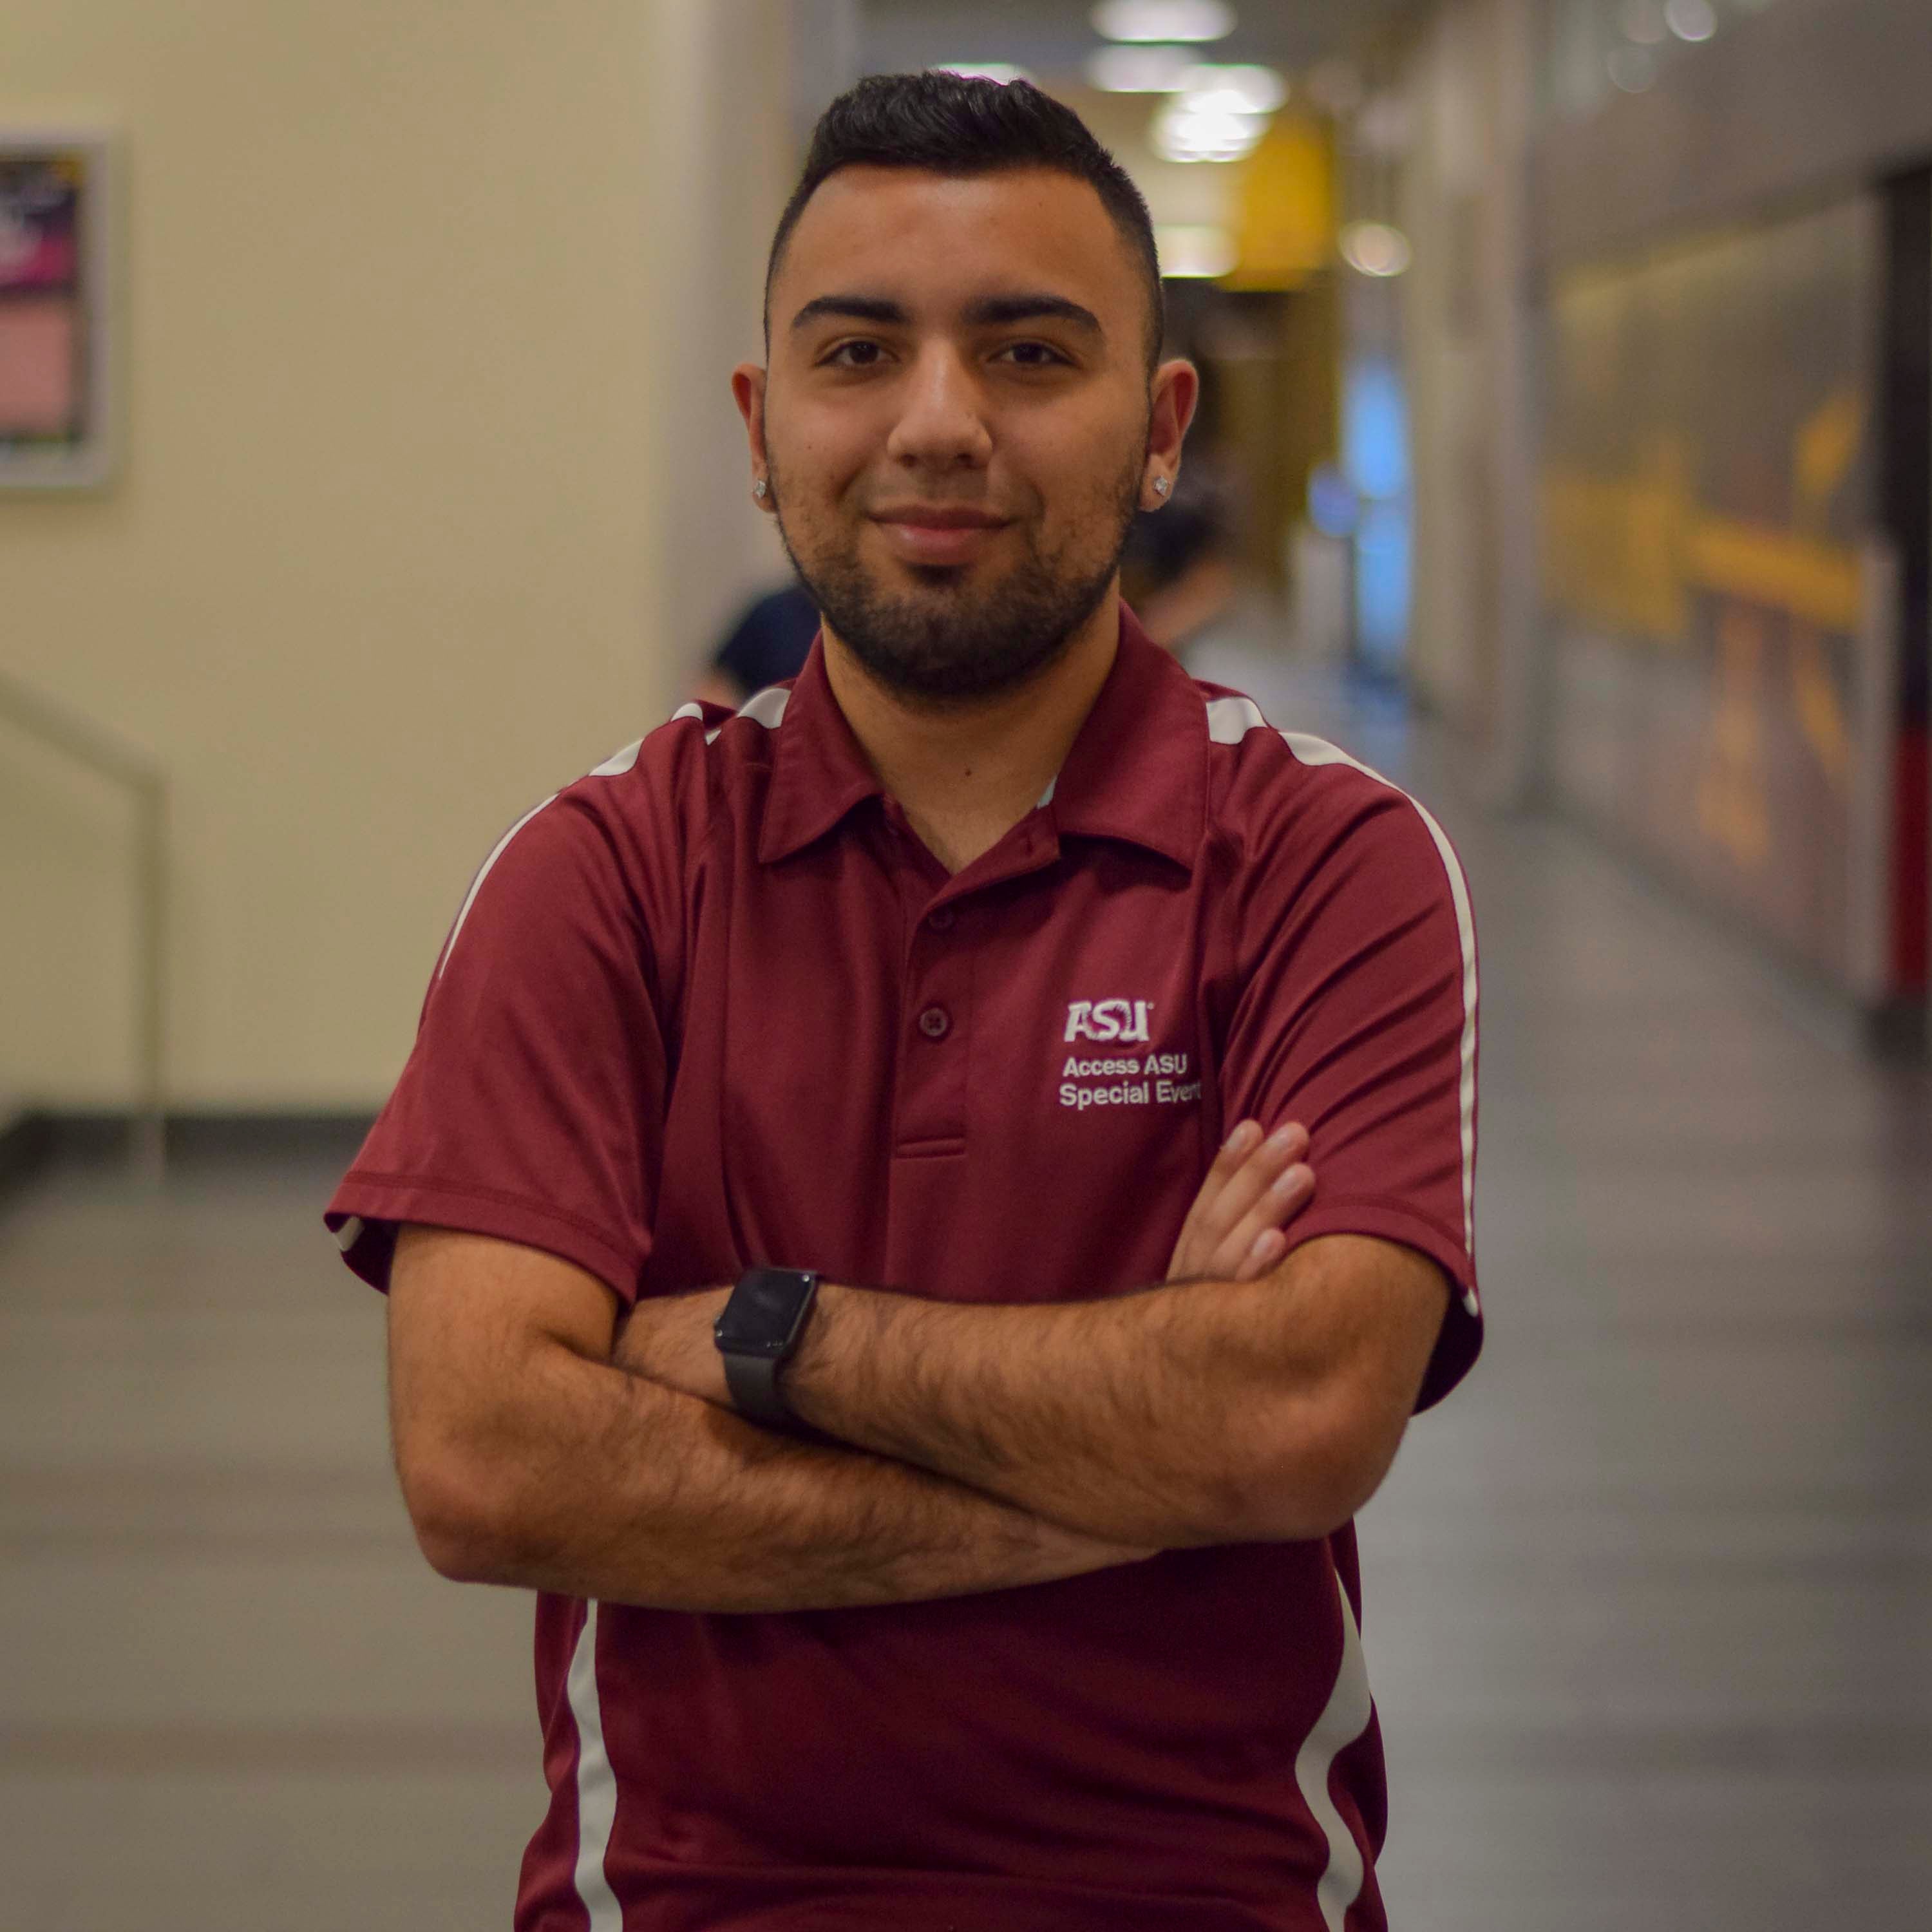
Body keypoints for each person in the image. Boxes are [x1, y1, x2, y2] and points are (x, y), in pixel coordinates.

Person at [327, 71, 1481, 1932]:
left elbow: (1295, 1421)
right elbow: (484, 1459)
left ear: (1163, 425)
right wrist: (1120, 1459)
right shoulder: (603, 875)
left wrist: (761, 1341)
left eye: (1030, 353)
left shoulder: (1330, 864)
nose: (941, 425)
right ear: (765, 424)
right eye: (861, 353)